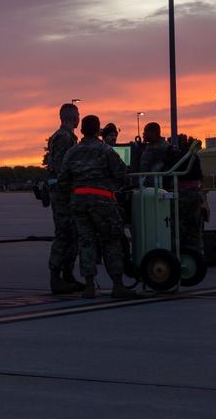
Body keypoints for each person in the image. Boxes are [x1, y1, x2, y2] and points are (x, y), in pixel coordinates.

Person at [57, 115, 138, 299]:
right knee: (111, 241)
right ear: (98, 131)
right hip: (102, 201)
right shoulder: (106, 150)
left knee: (86, 243)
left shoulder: (72, 152)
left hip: (79, 202)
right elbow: (120, 172)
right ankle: (118, 285)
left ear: (82, 130)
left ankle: (89, 287)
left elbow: (62, 179)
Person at [46, 102, 84, 294]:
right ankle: (56, 277)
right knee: (63, 233)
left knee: (71, 233)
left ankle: (67, 275)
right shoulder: (63, 137)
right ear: (74, 118)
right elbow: (63, 168)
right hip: (62, 191)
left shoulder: (65, 137)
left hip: (64, 190)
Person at [177, 138, 206, 253]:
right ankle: (198, 254)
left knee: (174, 226)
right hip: (196, 192)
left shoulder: (177, 157)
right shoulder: (195, 159)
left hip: (181, 192)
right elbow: (200, 176)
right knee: (195, 228)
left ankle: (175, 253)